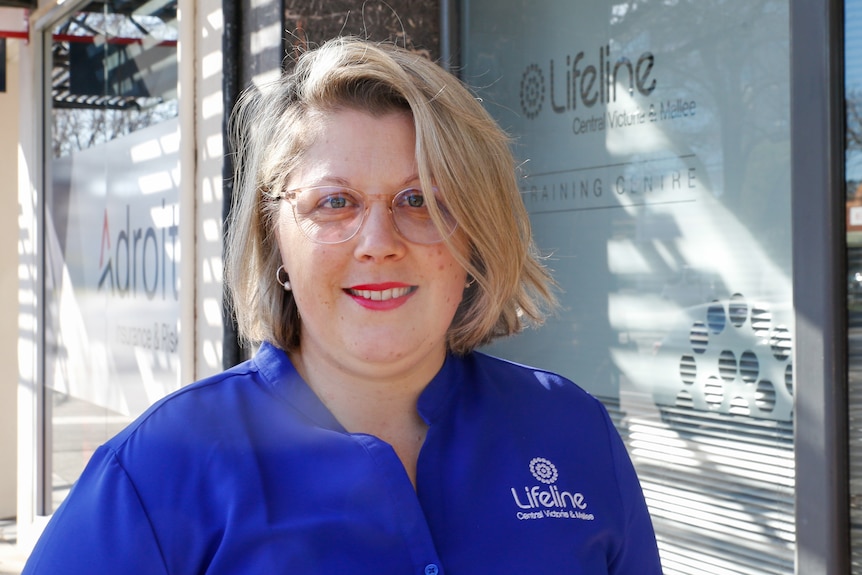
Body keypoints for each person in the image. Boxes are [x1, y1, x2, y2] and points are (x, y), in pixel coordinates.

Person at [23, 37, 662, 574]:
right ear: (274, 235)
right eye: (335, 203)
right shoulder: (160, 471)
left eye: (421, 201)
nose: (379, 244)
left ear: (475, 231)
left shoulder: (572, 432)